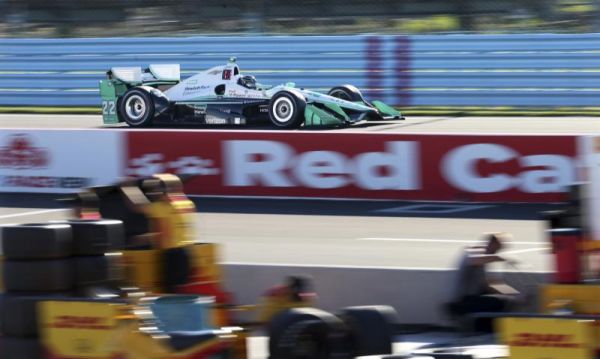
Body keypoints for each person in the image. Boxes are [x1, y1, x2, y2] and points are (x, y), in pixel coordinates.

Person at [447, 233, 520, 330]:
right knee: (502, 301)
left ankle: (484, 327)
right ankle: (482, 328)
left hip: (468, 299)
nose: (498, 251)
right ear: (492, 243)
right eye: (498, 248)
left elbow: (490, 284)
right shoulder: (475, 251)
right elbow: (475, 261)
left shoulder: (483, 259)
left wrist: (515, 294)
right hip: (459, 302)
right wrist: (501, 258)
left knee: (504, 299)